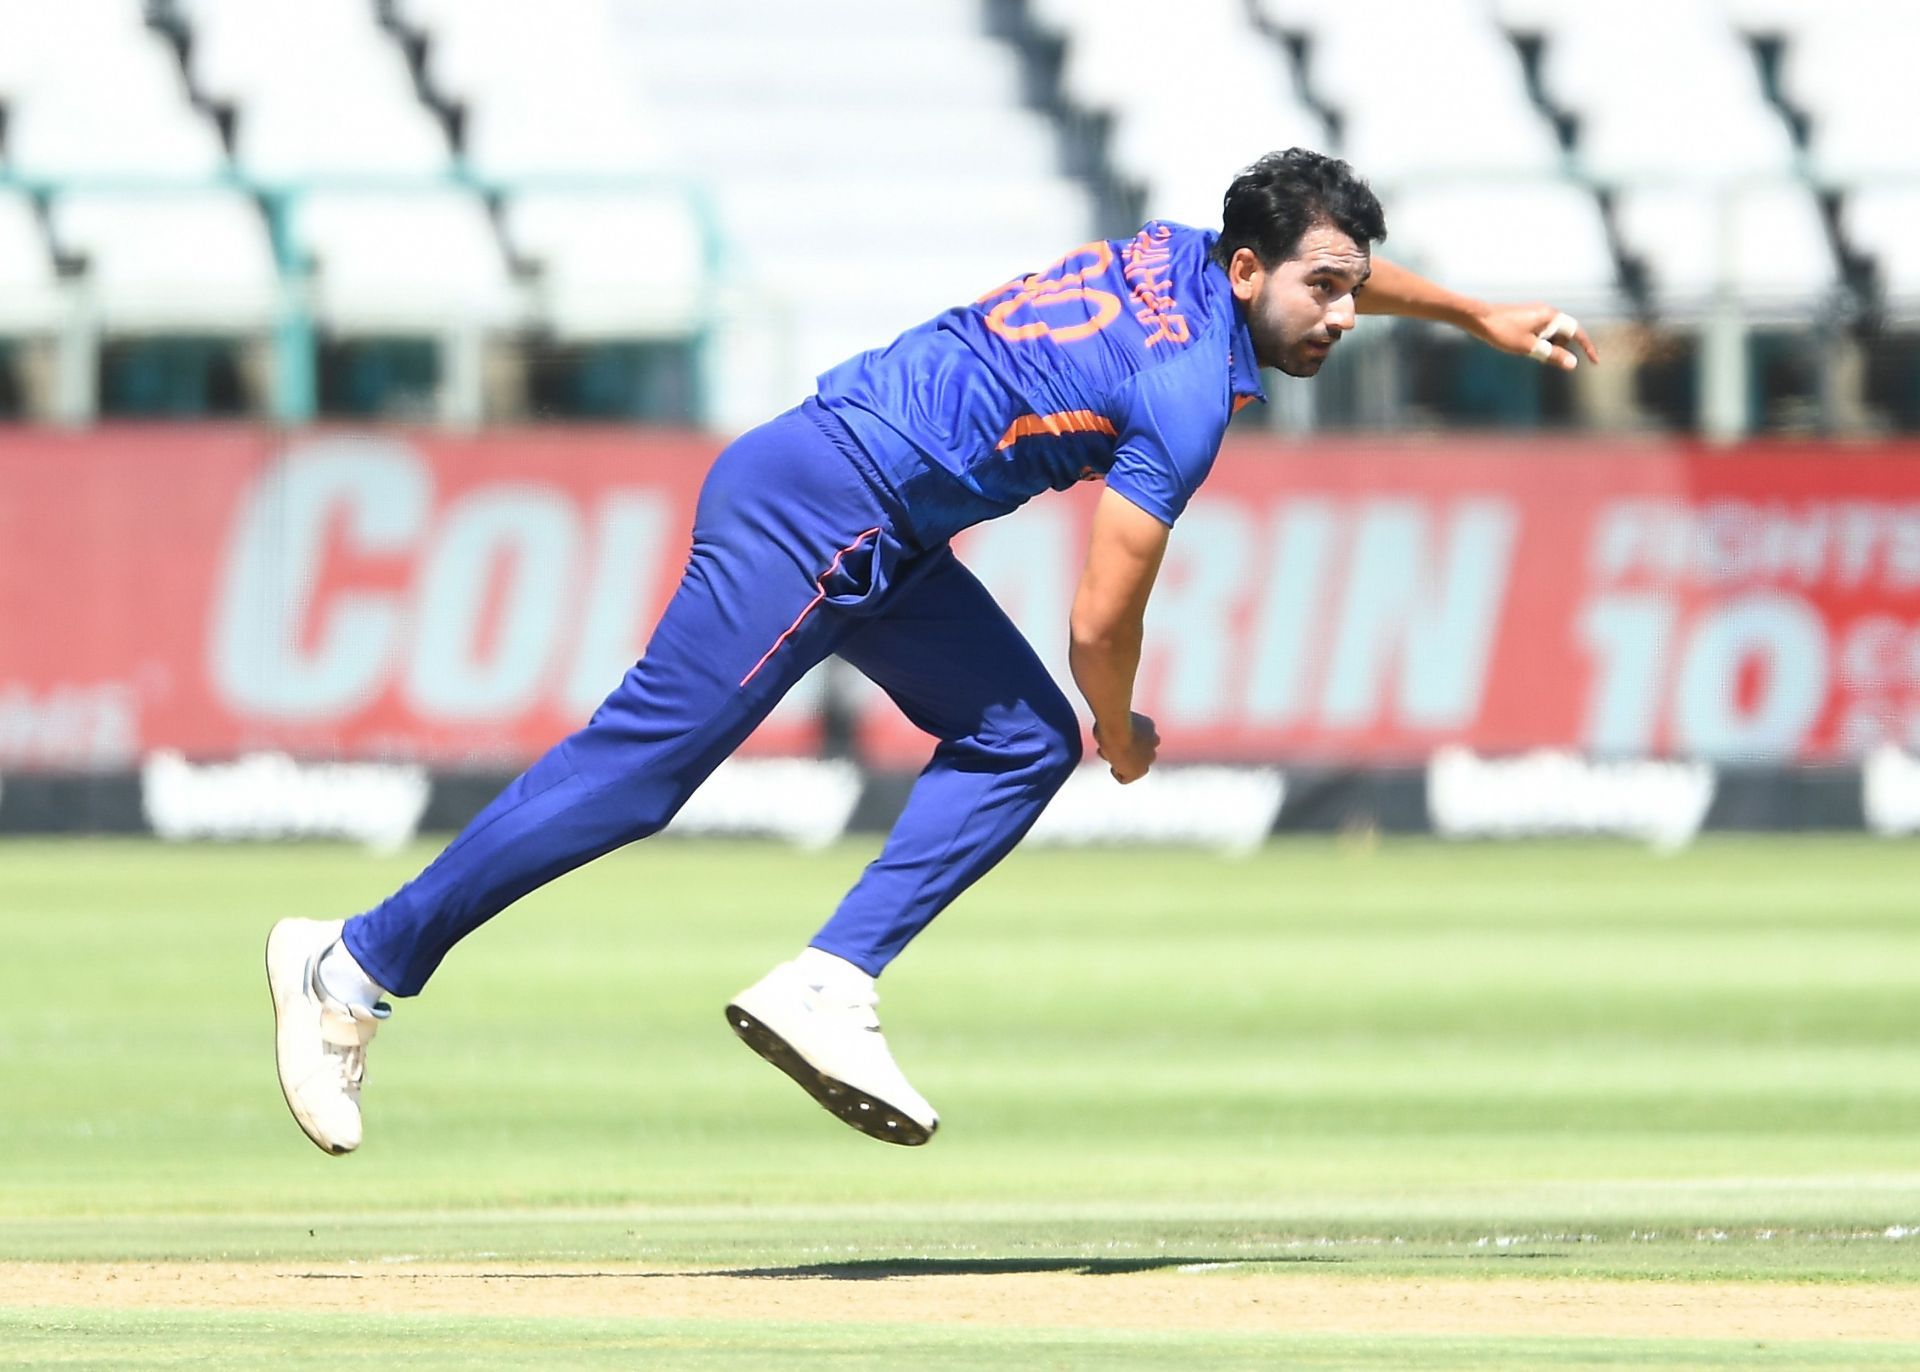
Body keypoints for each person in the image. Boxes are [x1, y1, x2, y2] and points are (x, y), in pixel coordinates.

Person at [267, 148, 1599, 1154]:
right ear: (1248, 273)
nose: (1347, 316)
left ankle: (829, 980)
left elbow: (1335, 259)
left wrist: (1472, 311)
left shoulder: (1199, 247)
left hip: (872, 514)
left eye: (1357, 291)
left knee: (1019, 738)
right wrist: (1127, 727)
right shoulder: (1189, 392)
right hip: (824, 506)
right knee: (638, 778)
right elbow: (1100, 616)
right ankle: (352, 964)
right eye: (1327, 291)